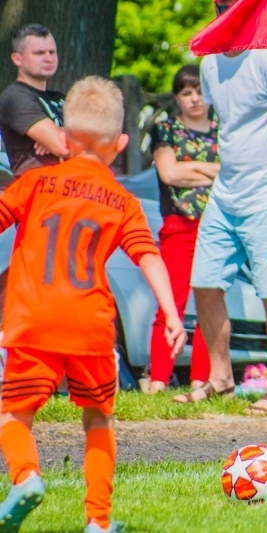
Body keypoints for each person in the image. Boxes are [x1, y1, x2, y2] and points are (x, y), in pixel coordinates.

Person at [0, 76, 187, 533]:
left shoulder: (37, 183)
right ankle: (98, 522)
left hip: (31, 319)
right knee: (98, 417)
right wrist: (172, 314)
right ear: (120, 144)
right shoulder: (122, 201)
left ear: (62, 137)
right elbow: (148, 255)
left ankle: (25, 478)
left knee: (12, 414)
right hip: (91, 325)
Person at [176, 0, 267, 413]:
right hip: (226, 193)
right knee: (204, 282)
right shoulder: (208, 63)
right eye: (220, 5)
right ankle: (220, 377)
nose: (225, 12)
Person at [147, 65, 218, 394]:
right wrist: (211, 170)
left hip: (216, 224)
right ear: (177, 97)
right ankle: (160, 377)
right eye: (187, 93)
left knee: (210, 304)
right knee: (170, 304)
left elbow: (231, 173)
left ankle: (202, 379)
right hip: (179, 223)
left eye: (200, 91)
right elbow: (169, 174)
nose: (195, 99)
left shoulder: (223, 130)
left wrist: (188, 167)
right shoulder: (166, 128)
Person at [0, 23, 68, 179]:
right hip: (37, 192)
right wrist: (70, 136)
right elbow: (63, 147)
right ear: (17, 59)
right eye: (39, 53)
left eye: (52, 52)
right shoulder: (15, 97)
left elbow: (100, 138)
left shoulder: (60, 98)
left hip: (69, 190)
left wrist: (64, 133)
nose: (48, 58)